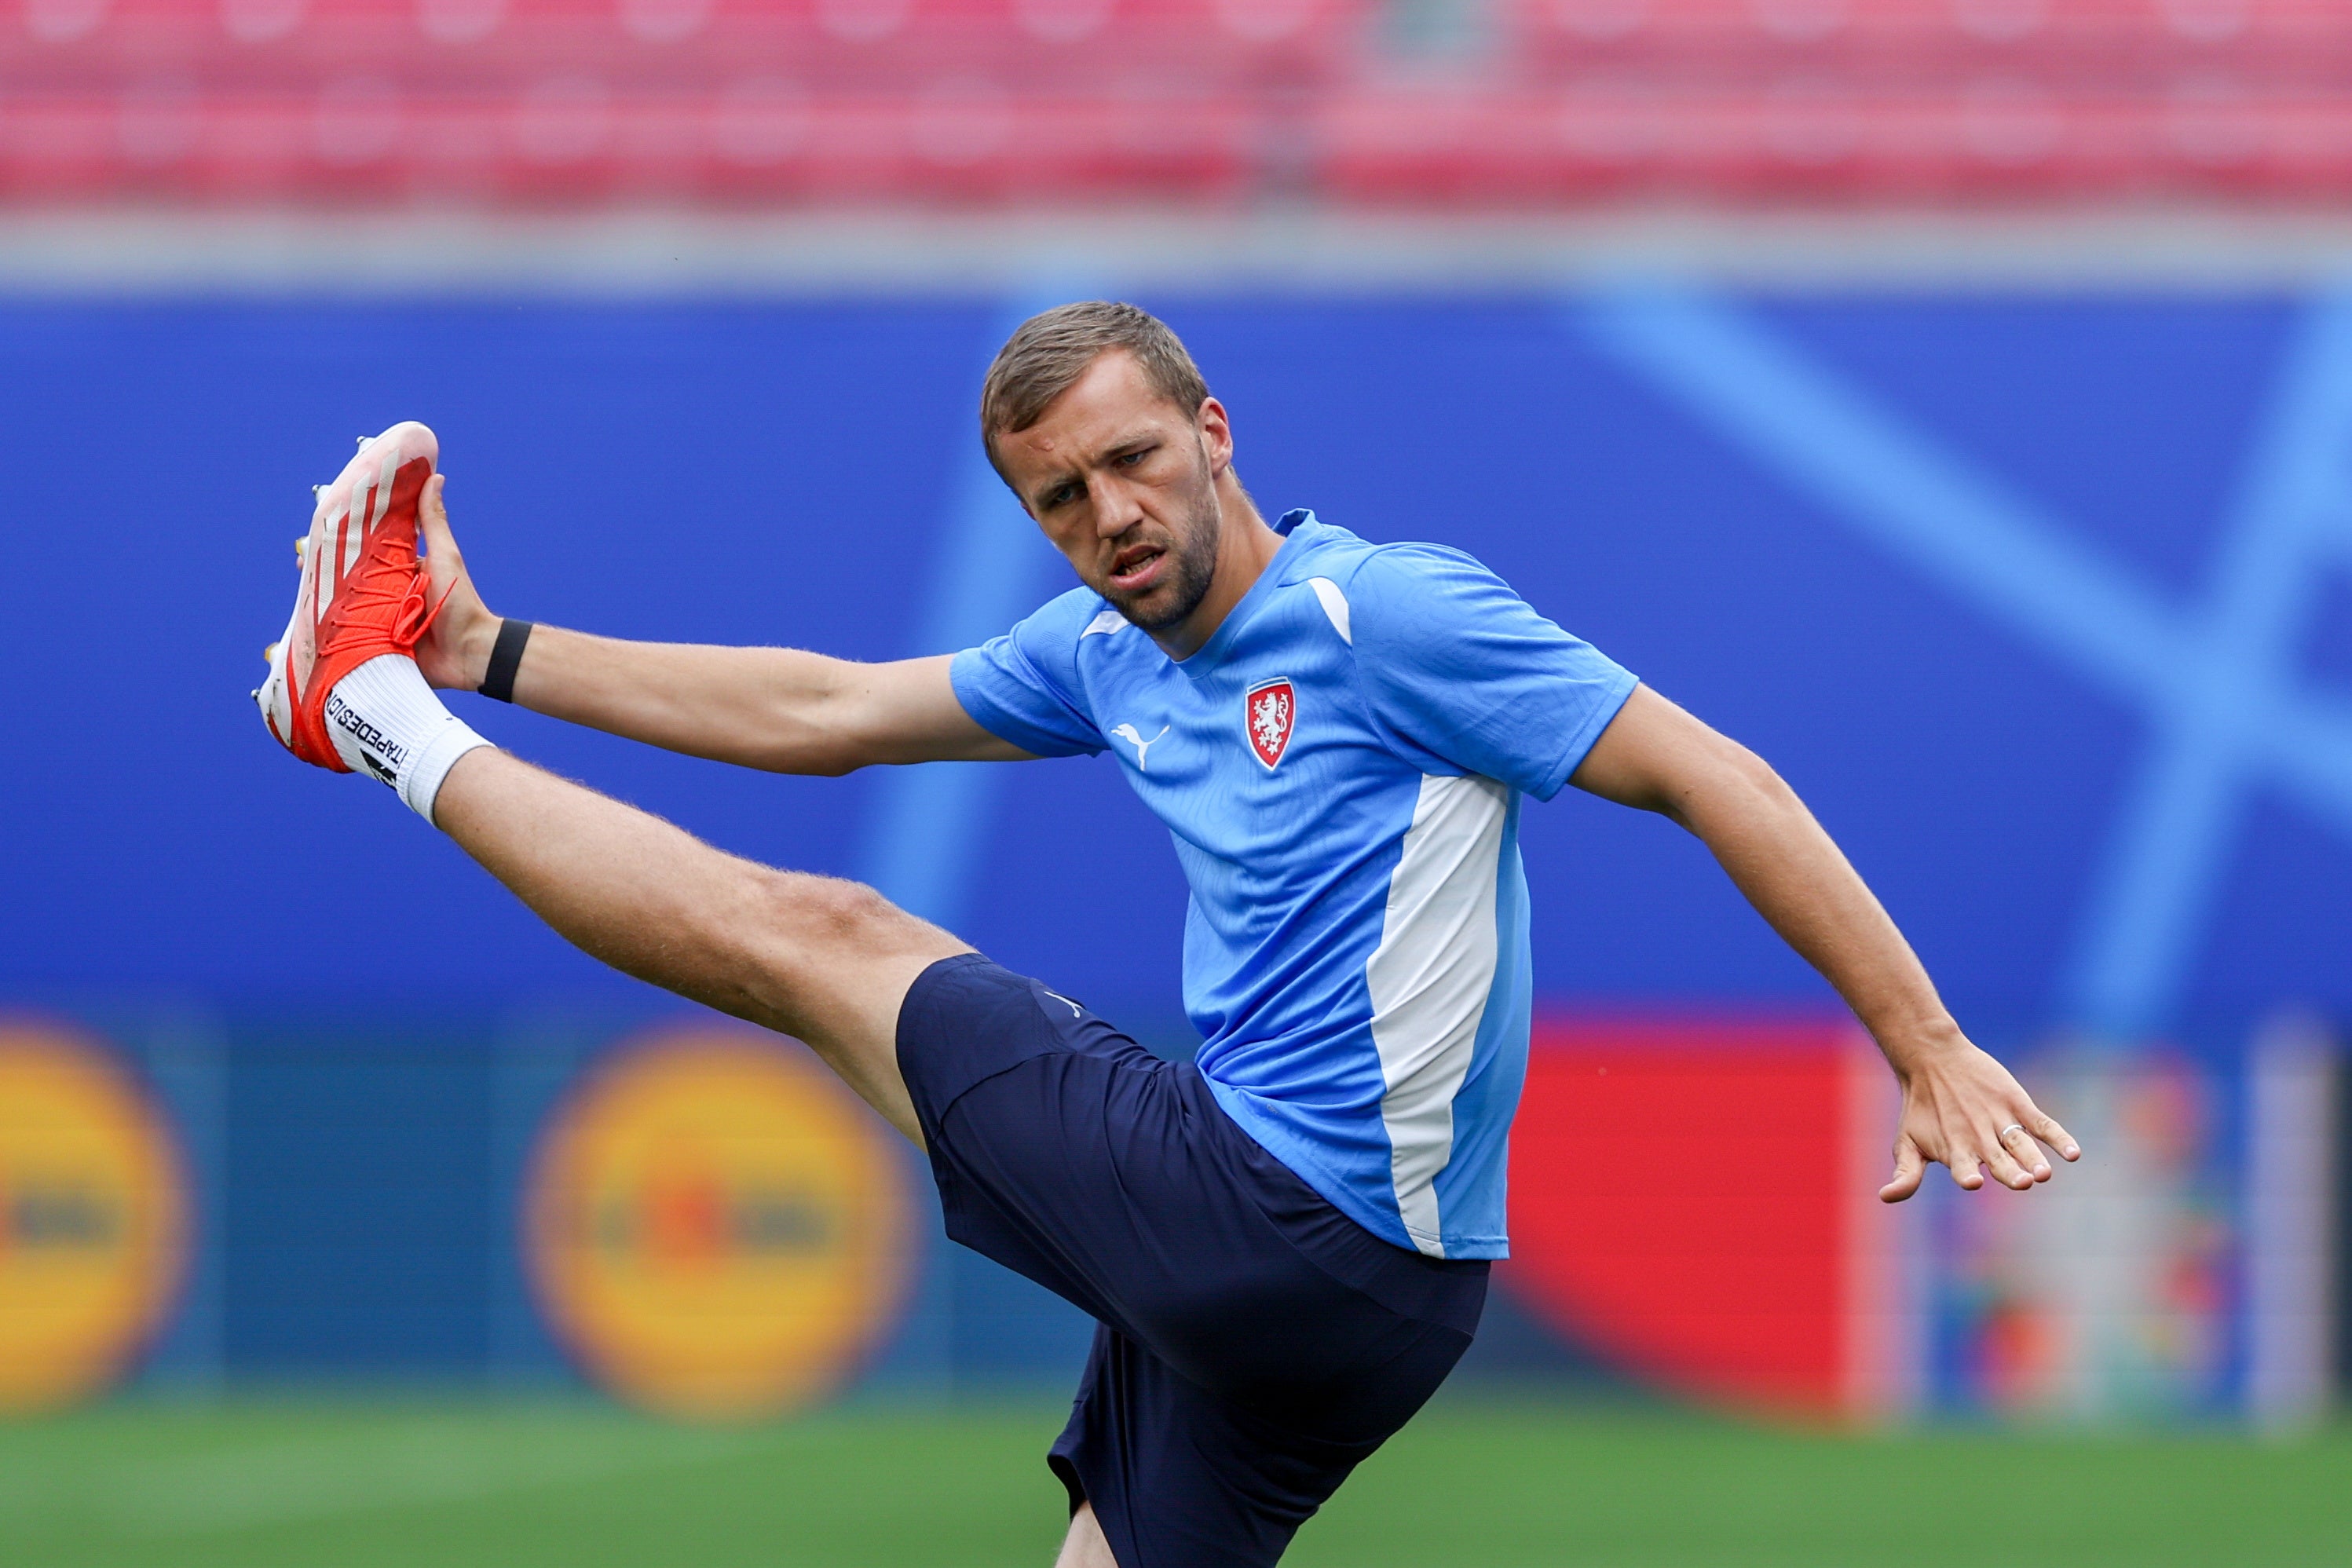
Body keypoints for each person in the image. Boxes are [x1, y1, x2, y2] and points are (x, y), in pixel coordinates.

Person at [255, 302, 2079, 1568]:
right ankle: (416, 686)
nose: (1106, 516)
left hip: (1291, 1227)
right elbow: (816, 709)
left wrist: (1916, 1041)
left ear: (1214, 434)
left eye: (1132, 460)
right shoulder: (1108, 657)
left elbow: (1720, 778)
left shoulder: (1390, 617)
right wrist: (493, 645)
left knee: (819, 935)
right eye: (1056, 497)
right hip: (1350, 1312)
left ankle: (367, 722)